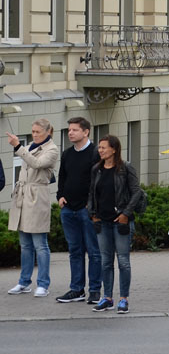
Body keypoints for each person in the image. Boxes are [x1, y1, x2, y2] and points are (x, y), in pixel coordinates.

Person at [87, 136, 146, 313]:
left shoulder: (125, 168)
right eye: (99, 148)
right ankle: (107, 298)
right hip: (102, 221)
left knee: (123, 262)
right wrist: (93, 214)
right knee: (105, 262)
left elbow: (136, 192)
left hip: (120, 222)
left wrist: (126, 214)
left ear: (114, 149)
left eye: (104, 148)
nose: (100, 150)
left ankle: (123, 299)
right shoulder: (96, 169)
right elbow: (91, 193)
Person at [6, 119, 59, 298]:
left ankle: (43, 284)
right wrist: (22, 148)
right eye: (33, 131)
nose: (34, 134)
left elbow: (37, 164)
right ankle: (24, 282)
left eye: (38, 132)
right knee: (25, 245)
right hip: (23, 195)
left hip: (37, 197)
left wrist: (18, 147)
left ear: (47, 132)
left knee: (40, 245)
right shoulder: (29, 146)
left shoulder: (52, 149)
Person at [56, 117, 102, 304]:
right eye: (69, 130)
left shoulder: (95, 153)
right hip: (68, 209)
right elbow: (62, 177)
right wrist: (60, 196)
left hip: (87, 210)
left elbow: (98, 182)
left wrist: (90, 204)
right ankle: (76, 289)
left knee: (94, 251)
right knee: (75, 250)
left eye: (75, 130)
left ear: (86, 132)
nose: (70, 133)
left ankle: (95, 290)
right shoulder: (67, 154)